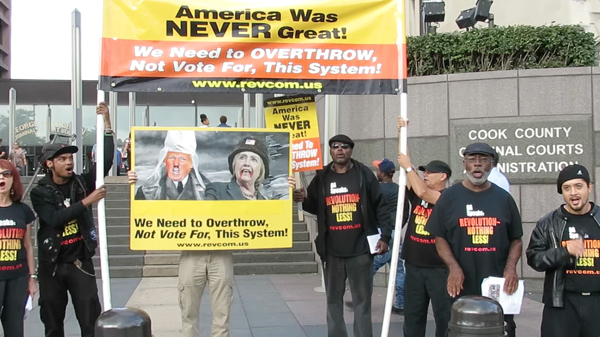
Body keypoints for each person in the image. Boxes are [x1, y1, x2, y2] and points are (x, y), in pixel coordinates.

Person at [293, 134, 392, 337]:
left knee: (362, 301)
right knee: (333, 301)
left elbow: (380, 206)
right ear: (330, 151)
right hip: (332, 252)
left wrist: (385, 237)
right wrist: (302, 198)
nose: (340, 149)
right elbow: (313, 205)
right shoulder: (321, 177)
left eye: (345, 146)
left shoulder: (364, 174)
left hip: (361, 250)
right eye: (336, 146)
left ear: (351, 150)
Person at [30, 102, 114, 337]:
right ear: (49, 164)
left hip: (80, 262)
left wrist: (107, 123)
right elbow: (54, 218)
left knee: (90, 320)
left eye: (70, 158)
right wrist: (88, 201)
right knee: (53, 322)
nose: (69, 162)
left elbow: (105, 162)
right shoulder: (40, 191)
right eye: (62, 159)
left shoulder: (80, 183)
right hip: (52, 265)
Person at [428, 142, 523, 337]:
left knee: (500, 329)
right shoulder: (449, 198)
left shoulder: (503, 198)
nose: (477, 165)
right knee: (458, 329)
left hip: (496, 283)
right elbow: (440, 238)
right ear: (464, 163)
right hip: (460, 283)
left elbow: (516, 239)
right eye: (472, 160)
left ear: (492, 164)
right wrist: (453, 267)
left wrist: (511, 268)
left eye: (483, 160)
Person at [526, 164, 600, 337]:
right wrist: (564, 252)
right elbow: (534, 258)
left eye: (578, 186)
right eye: (567, 188)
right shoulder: (548, 223)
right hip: (562, 305)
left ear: (589, 188)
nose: (573, 192)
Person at [345, 158, 405, 314]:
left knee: (368, 269)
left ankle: (362, 301)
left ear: (382, 173)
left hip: (382, 235)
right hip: (395, 233)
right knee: (398, 271)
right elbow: (404, 213)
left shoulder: (377, 190)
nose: (376, 172)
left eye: (378, 170)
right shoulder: (399, 189)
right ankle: (400, 304)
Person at [0, 159, 37, 337]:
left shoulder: (23, 211)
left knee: (15, 328)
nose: (2, 179)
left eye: (6, 174)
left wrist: (32, 278)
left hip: (18, 278)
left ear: (13, 179)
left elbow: (28, 246)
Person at [134, 130, 209, 200]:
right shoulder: (146, 192)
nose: (176, 163)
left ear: (192, 164)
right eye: (172, 158)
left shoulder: (208, 190)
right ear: (165, 161)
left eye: (182, 159)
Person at [205, 136, 270, 200]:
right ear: (234, 164)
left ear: (261, 170)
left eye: (253, 160)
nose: (247, 163)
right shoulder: (217, 190)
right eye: (242, 158)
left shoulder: (266, 204)